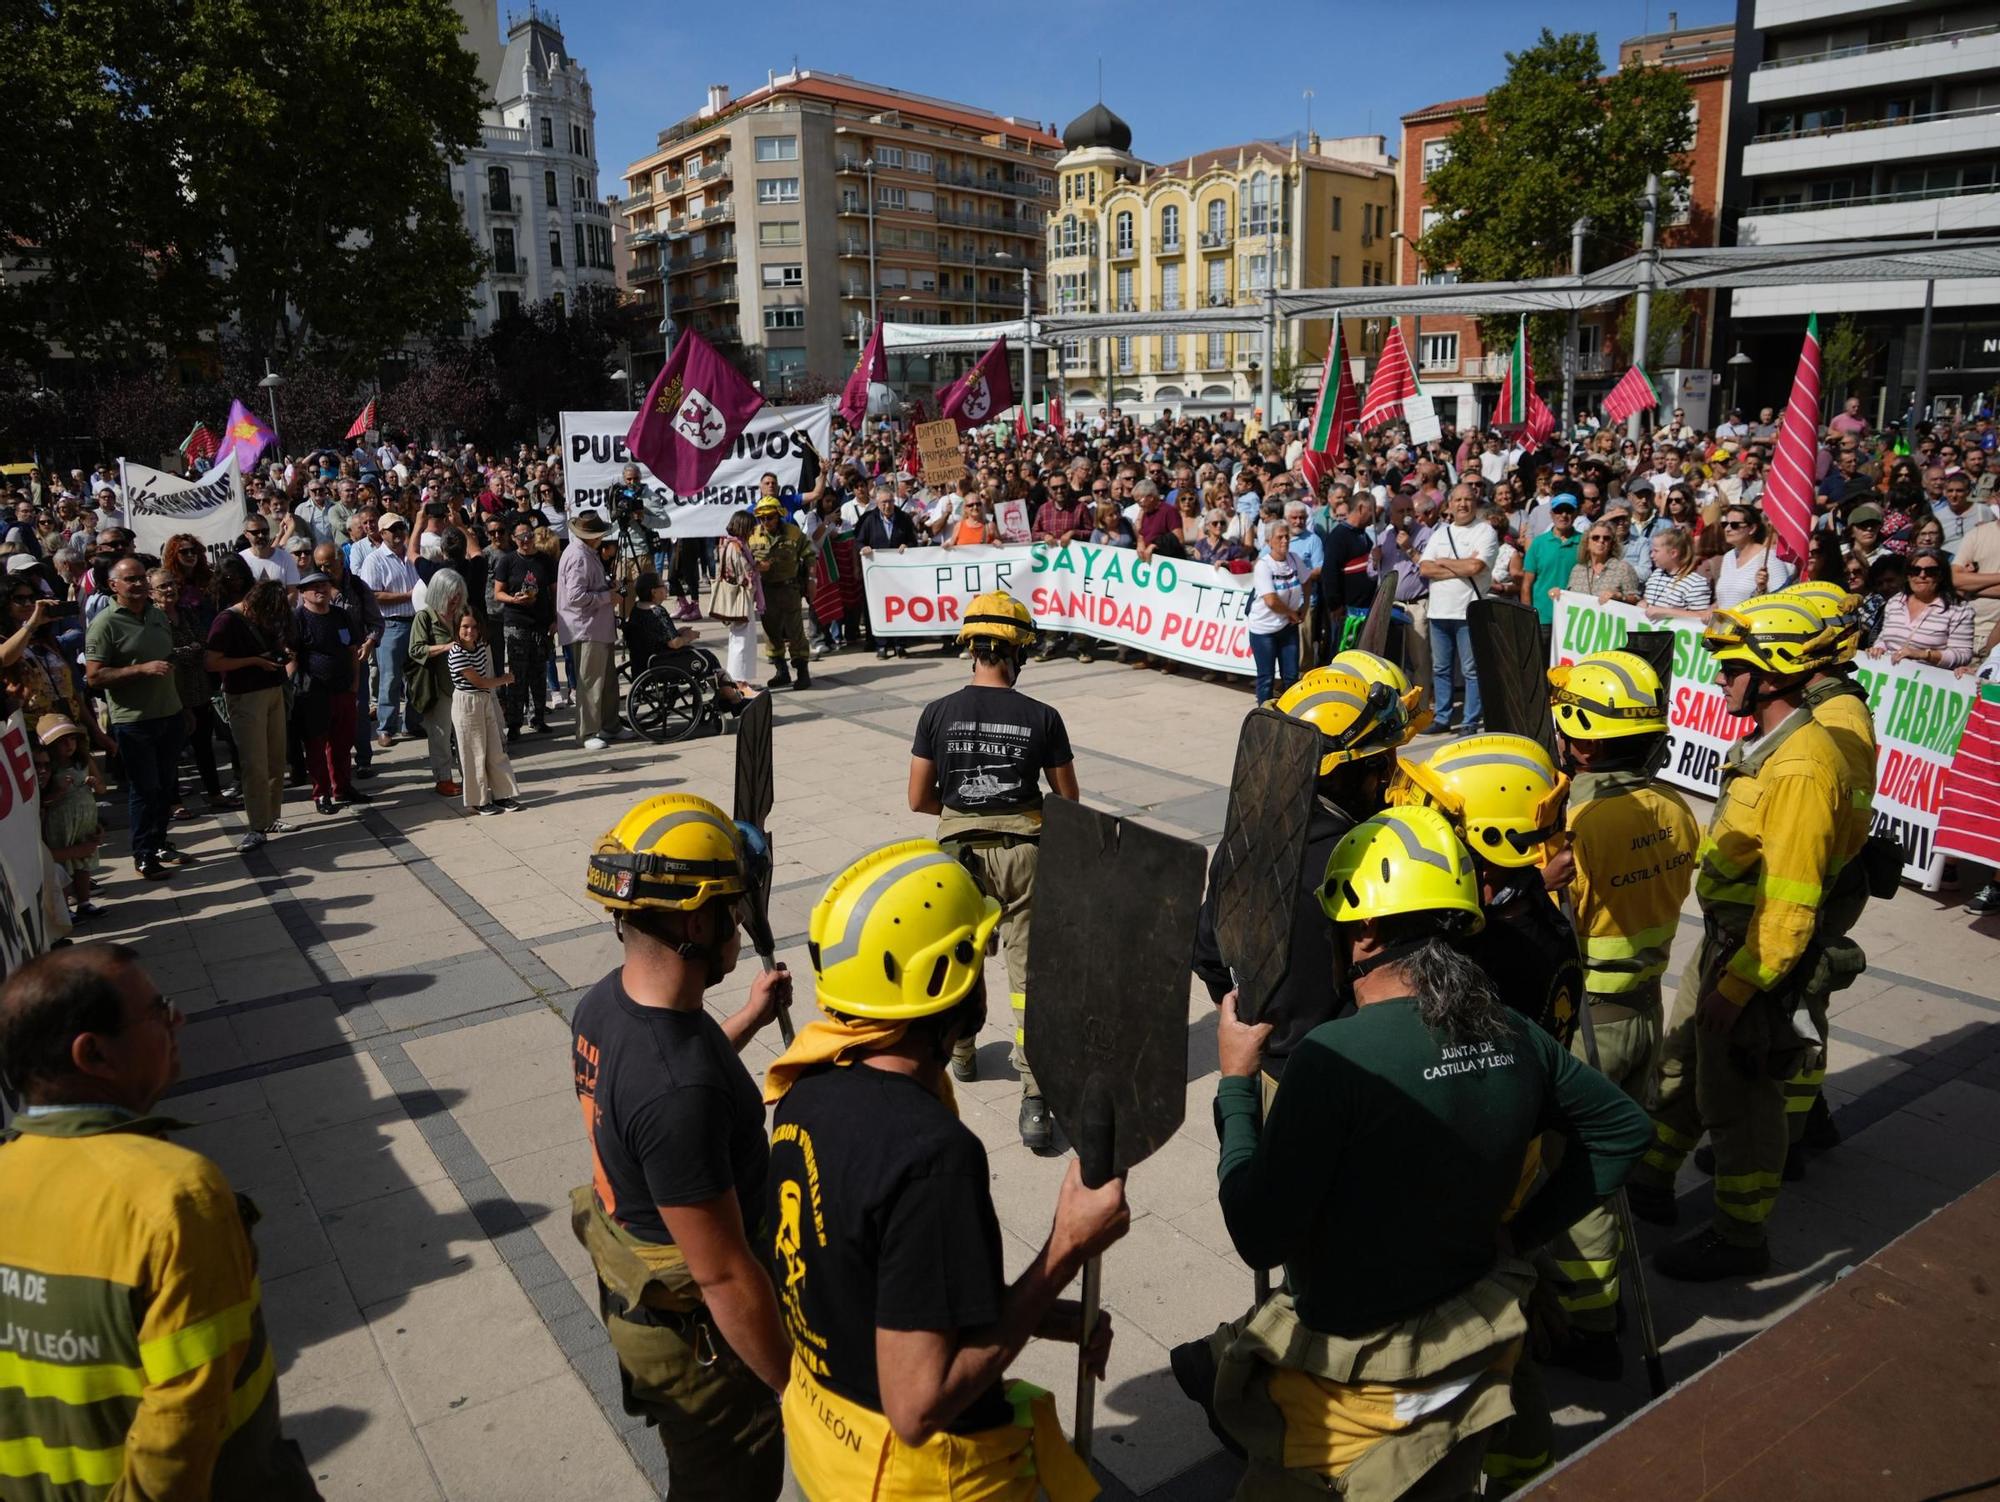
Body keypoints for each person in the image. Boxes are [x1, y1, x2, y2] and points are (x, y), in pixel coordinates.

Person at [1190, 807, 1651, 1498]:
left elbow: (1259, 1233)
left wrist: (1233, 1085)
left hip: (1349, 1381)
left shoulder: (1335, 1056)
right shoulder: (1513, 1031)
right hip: (1471, 1341)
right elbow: (1623, 1130)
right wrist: (1517, 1237)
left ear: (1365, 930)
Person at [763, 841, 1127, 1499]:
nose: (987, 971)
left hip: (826, 1447)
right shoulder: (931, 1158)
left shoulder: (802, 1092)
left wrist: (1041, 1314)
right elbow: (917, 1406)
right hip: (914, 1481)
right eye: (978, 954)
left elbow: (862, 1282)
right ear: (944, 974)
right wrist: (1065, 1251)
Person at [0, 944, 321, 1500]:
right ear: (93, 1055)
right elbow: (178, 1431)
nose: (178, 1018)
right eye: (158, 1010)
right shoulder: (171, 1198)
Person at [570, 794, 794, 1499]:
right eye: (734, 905)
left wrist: (749, 1019)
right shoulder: (678, 1095)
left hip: (641, 1288)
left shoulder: (609, 1002)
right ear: (698, 921)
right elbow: (724, 1275)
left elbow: (665, 1089)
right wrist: (799, 1389)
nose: (740, 922)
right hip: (702, 1348)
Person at [1625, 597, 1844, 1280]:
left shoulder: (1802, 767)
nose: (1719, 679)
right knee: (1684, 1059)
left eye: (1731, 668)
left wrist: (1743, 983)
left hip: (1749, 954)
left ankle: (1740, 1235)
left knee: (1741, 1101)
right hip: (1723, 941)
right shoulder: (1764, 744)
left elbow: (1791, 898)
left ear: (1773, 674)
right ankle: (1650, 1181)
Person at [1542, 650, 1699, 1373]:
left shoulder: (1579, 821)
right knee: (1610, 1167)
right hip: (1645, 1007)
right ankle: (1597, 1303)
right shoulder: (1677, 810)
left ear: (1583, 739)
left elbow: (1547, 917)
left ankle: (1588, 1321)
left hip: (1591, 1025)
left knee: (1578, 1177)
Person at [1189, 652, 1426, 1088]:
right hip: (1338, 1077)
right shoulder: (1362, 864)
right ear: (1347, 773)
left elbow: (1207, 951)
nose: (1387, 776)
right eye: (1379, 764)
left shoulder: (1242, 840)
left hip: (1256, 1065)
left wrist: (1253, 1022)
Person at [908, 592, 1079, 1151]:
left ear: (972, 649)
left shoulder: (936, 712)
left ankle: (960, 1052)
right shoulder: (1043, 717)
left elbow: (918, 799)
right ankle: (1035, 1098)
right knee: (1028, 980)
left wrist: (963, 812)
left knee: (962, 959)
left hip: (958, 859)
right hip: (1028, 857)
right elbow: (1068, 801)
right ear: (1014, 652)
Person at [85, 557, 186, 879]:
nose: (139, 584)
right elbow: (94, 677)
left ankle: (159, 842)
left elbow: (168, 663)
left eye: (142, 578)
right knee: (145, 789)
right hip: (134, 722)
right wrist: (139, 669)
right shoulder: (105, 623)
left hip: (169, 714)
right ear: (114, 585)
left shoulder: (157, 615)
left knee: (166, 785)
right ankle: (143, 853)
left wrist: (181, 707)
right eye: (131, 579)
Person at [205, 579, 293, 853]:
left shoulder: (267, 618)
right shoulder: (227, 620)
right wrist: (254, 661)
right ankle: (256, 826)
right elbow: (211, 661)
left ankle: (272, 817)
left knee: (276, 759)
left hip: (272, 690)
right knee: (254, 762)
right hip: (244, 696)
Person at [1419, 484, 1498, 734]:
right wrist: (1459, 565)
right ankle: (1442, 718)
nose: (1463, 504)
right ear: (1449, 504)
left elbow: (1476, 568)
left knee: (1471, 670)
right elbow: (1424, 569)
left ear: (1476, 503)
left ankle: (1469, 720)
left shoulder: (1486, 532)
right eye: (1458, 500)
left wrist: (1442, 562)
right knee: (1440, 669)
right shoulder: (1441, 533)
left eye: (1468, 499)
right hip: (1439, 612)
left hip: (1468, 612)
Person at [290, 570, 366, 816]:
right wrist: (294, 689)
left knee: (343, 744)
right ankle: (321, 793)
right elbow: (290, 658)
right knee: (316, 747)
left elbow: (353, 650)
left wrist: (355, 684)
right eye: (313, 587)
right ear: (302, 593)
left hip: (344, 690)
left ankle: (342, 787)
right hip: (314, 694)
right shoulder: (297, 619)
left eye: (324, 585)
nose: (320, 590)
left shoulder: (341, 615)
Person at [557, 511, 625, 750]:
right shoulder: (578, 556)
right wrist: (608, 596)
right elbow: (575, 596)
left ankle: (610, 725)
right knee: (590, 682)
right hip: (586, 628)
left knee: (606, 680)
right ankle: (587, 732)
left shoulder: (586, 552)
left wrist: (607, 587)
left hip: (596, 627)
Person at [447, 611, 521, 814]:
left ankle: (502, 794)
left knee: (495, 749)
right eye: (465, 627)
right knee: (473, 753)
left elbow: (484, 681)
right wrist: (505, 679)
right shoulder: (456, 653)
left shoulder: (480, 647)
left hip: (484, 699)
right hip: (467, 703)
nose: (470, 631)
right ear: (457, 629)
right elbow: (479, 681)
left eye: (473, 626)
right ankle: (478, 800)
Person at [492, 514, 554, 740]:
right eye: (520, 537)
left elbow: (554, 591)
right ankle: (515, 722)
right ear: (513, 538)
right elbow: (497, 593)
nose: (525, 540)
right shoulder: (507, 561)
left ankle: (538, 717)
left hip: (540, 622)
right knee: (517, 675)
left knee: (539, 672)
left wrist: (555, 619)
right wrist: (513, 599)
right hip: (516, 621)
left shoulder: (545, 560)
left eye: (528, 535)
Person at [359, 515, 419, 747]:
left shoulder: (413, 555)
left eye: (401, 527)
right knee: (391, 678)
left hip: (416, 622)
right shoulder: (375, 560)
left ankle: (412, 724)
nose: (397, 533)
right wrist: (408, 595)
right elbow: (373, 595)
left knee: (416, 677)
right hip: (392, 624)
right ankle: (386, 728)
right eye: (392, 529)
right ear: (381, 533)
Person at [37, 713, 103, 918]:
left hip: (85, 819)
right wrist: (59, 792)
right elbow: (43, 802)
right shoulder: (49, 769)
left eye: (72, 739)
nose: (69, 745)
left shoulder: (83, 761)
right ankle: (65, 907)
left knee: (83, 862)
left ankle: (85, 902)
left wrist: (95, 784)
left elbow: (102, 788)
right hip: (60, 824)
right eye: (62, 741)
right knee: (63, 866)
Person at [1867, 544, 1975, 668]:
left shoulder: (1959, 610)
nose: (1922, 575)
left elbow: (1963, 654)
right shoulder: (1895, 602)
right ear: (1907, 575)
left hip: (1929, 680)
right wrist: (1879, 648)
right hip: (1890, 676)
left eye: (1931, 571)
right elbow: (1884, 638)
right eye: (1915, 571)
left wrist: (1924, 655)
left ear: (1941, 575)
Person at [748, 496, 812, 689]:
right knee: (771, 632)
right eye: (762, 518)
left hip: (789, 589)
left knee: (795, 632)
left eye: (770, 517)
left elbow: (809, 555)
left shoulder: (793, 533)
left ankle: (802, 671)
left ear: (779, 516)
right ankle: (781, 671)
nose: (766, 522)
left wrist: (812, 580)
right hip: (765, 591)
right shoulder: (752, 535)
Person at [855, 482, 918, 659]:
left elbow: (913, 541)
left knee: (899, 607)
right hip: (878, 575)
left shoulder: (903, 518)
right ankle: (881, 645)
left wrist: (907, 545)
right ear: (877, 502)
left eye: (890, 501)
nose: (887, 505)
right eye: (883, 502)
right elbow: (858, 541)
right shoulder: (869, 520)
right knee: (879, 608)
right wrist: (864, 548)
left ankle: (900, 644)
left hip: (899, 574)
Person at [1248, 517, 1304, 706]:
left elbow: (1307, 580)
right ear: (1269, 541)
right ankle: (1264, 716)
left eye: (1287, 536)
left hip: (1288, 626)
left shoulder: (1294, 559)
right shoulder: (1263, 566)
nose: (1284, 540)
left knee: (1291, 676)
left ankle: (1292, 714)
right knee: (1266, 678)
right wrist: (1291, 612)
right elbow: (1271, 600)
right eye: (1280, 537)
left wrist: (1303, 607)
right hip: (1264, 630)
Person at [1520, 495, 1581, 643]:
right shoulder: (1538, 543)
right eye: (1559, 511)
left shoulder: (1585, 542)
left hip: (1575, 617)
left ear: (1576, 513)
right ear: (1552, 514)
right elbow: (1527, 584)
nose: (1564, 515)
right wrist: (1527, 617)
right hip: (1543, 618)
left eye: (1568, 510)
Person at [1713, 504, 1793, 607]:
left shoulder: (1769, 557)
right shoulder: (1728, 557)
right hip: (1725, 622)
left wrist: (1761, 589)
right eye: (1725, 524)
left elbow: (1783, 600)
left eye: (1734, 525)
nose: (1727, 529)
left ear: (1752, 529)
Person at [1642, 527, 1713, 621]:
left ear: (1673, 553)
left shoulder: (1695, 583)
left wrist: (1665, 612)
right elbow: (1647, 600)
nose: (1651, 555)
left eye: (1656, 551)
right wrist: (1643, 603)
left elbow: (1701, 616)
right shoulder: (1656, 574)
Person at [1568, 521, 1642, 606]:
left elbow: (1636, 599)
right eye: (1596, 537)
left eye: (1606, 538)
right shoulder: (1577, 570)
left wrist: (1620, 597)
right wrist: (1559, 595)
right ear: (1587, 543)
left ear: (1612, 543)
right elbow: (1569, 598)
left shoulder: (1623, 568)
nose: (1601, 540)